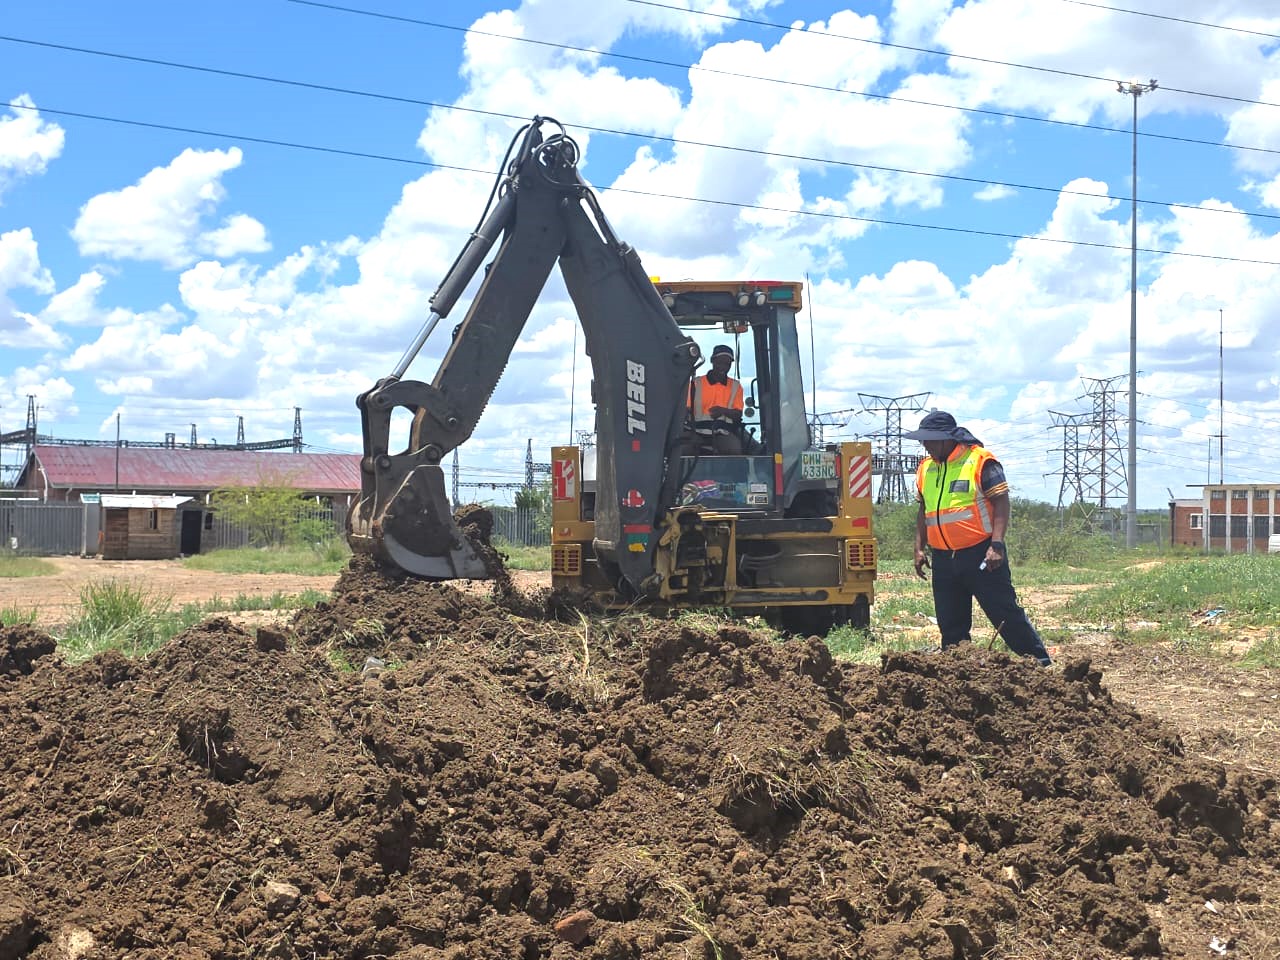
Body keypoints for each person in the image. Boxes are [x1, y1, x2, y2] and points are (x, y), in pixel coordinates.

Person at [906, 410, 1052, 666]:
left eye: (929, 440)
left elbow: (1001, 502)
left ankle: (1040, 663)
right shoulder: (925, 469)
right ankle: (957, 671)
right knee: (950, 623)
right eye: (922, 441)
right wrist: (919, 548)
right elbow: (924, 509)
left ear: (946, 438)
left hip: (981, 556)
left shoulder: (980, 461)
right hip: (943, 559)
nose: (925, 446)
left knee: (1005, 613)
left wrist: (997, 544)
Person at [685, 344, 744, 455]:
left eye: (727, 364)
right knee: (681, 449)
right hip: (695, 431)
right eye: (720, 362)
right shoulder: (695, 383)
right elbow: (686, 409)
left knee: (734, 449)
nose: (723, 367)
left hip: (723, 433)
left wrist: (723, 411)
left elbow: (738, 414)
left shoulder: (736, 386)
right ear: (712, 361)